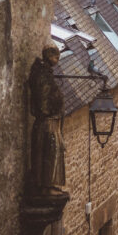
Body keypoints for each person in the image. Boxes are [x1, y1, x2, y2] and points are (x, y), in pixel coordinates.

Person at [28, 45, 67, 196]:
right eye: (56, 56)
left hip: (50, 122)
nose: (58, 60)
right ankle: (46, 186)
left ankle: (49, 185)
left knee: (52, 152)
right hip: (48, 123)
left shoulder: (44, 73)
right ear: (49, 56)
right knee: (49, 152)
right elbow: (43, 101)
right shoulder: (42, 75)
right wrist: (51, 110)